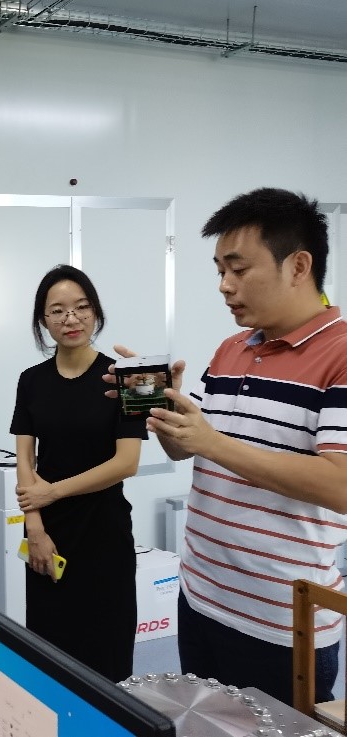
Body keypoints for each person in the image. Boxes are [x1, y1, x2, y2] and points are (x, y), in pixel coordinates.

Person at [139, 187, 347, 705]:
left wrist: (211, 441)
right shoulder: (231, 348)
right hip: (200, 595)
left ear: (298, 266)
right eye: (219, 271)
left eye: (238, 269)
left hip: (282, 621)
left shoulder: (341, 355)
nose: (224, 285)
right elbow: (189, 451)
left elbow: (340, 485)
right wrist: (168, 419)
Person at [11, 265, 146, 682]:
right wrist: (35, 527)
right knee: (50, 654)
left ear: (96, 312)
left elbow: (127, 463)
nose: (71, 319)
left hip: (104, 532)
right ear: (43, 320)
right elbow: (24, 460)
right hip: (48, 535)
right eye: (58, 311)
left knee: (107, 657)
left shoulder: (128, 376)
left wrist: (52, 493)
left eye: (82, 307)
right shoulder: (30, 381)